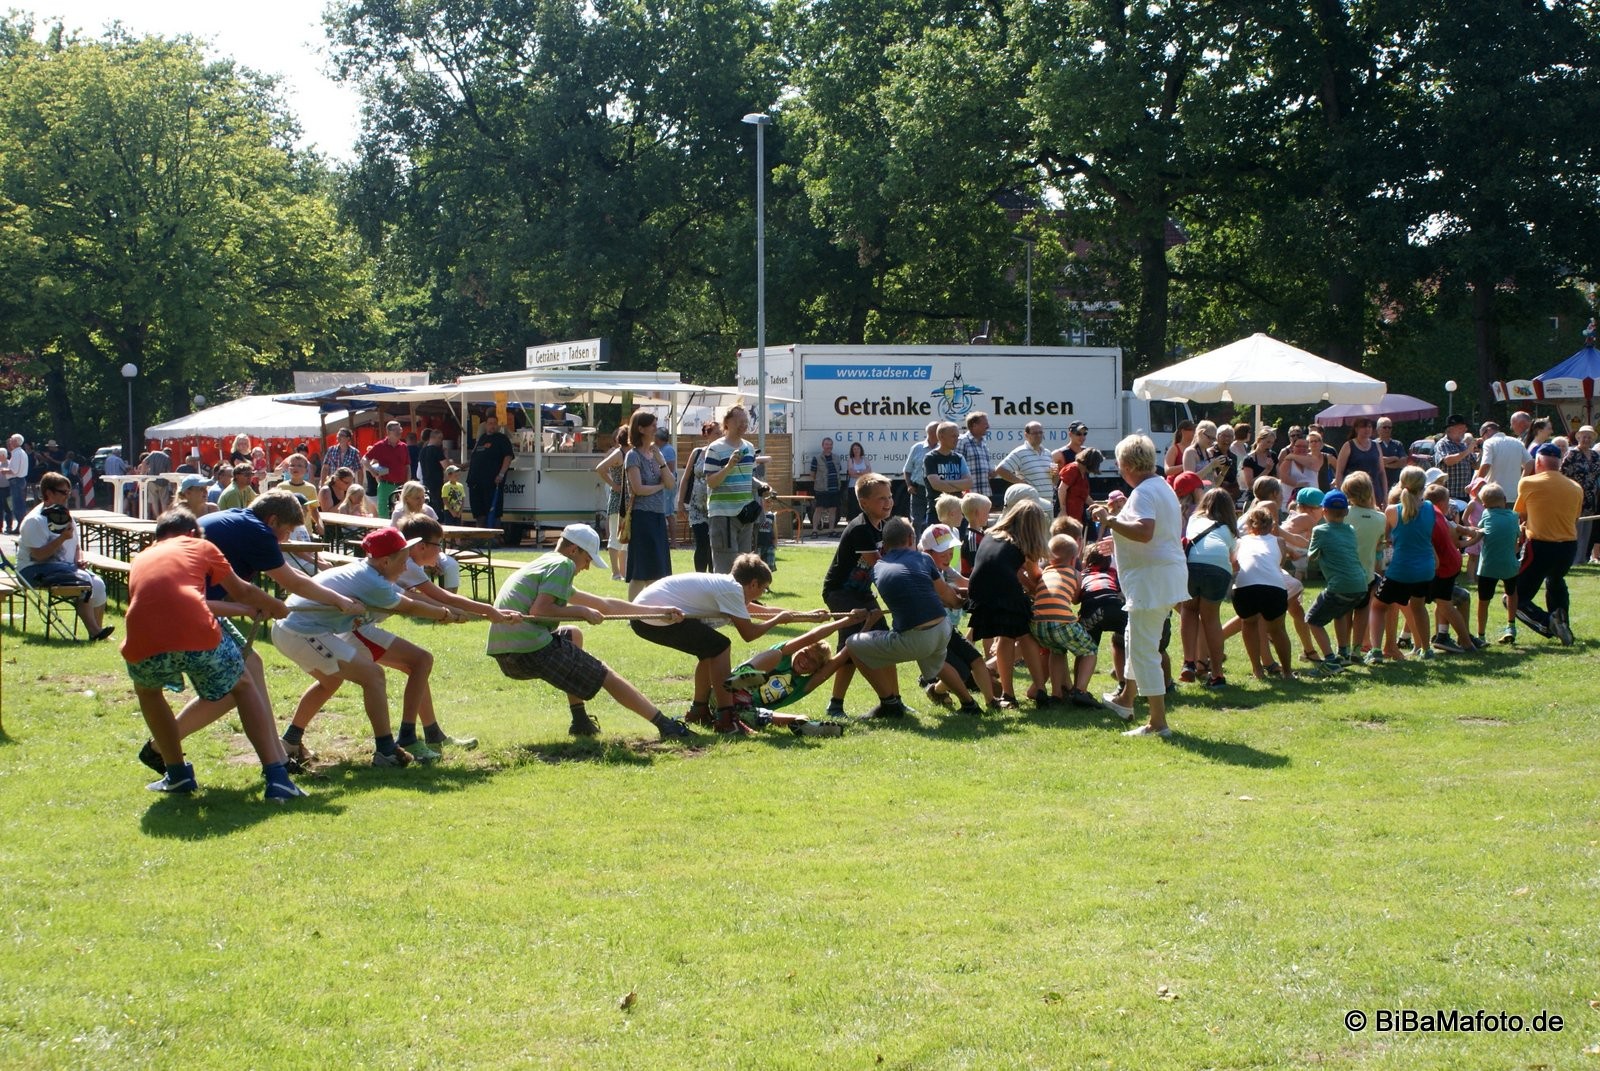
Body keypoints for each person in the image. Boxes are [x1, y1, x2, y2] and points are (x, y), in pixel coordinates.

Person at [123, 508, 304, 798]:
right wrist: (277, 606)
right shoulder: (201, 545)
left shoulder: (141, 558)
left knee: (149, 692)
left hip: (141, 638)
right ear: (192, 533)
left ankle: (178, 774)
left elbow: (172, 603)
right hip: (197, 633)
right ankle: (277, 777)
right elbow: (242, 590)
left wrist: (247, 609)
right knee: (243, 685)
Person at [271, 526, 472, 767]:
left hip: (295, 630)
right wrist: (444, 614)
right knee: (373, 676)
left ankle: (290, 741)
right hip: (300, 632)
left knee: (331, 681)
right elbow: (408, 606)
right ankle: (386, 751)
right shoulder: (371, 581)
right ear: (386, 561)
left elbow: (413, 599)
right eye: (403, 560)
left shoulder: (372, 574)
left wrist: (462, 612)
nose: (406, 566)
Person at [488, 523, 694, 739]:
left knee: (573, 635)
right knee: (605, 674)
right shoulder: (563, 565)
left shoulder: (545, 563)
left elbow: (605, 605)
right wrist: (581, 610)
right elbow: (540, 610)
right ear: (573, 550)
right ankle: (666, 726)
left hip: (506, 653)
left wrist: (657, 611)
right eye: (587, 560)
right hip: (528, 651)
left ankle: (580, 721)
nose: (586, 567)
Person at [631, 554, 822, 734]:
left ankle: (699, 711)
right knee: (720, 646)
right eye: (763, 589)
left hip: (646, 616)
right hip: (651, 617)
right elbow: (749, 634)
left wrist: (806, 616)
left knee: (710, 649)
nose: (762, 595)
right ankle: (727, 719)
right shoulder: (732, 590)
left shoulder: (729, 587)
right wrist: (777, 620)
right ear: (753, 583)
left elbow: (762, 611)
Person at [1090, 435, 1188, 737]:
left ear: (1130, 464)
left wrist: (1110, 520)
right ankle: (1125, 699)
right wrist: (1117, 536)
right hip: (1160, 576)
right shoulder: (1159, 487)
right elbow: (1148, 533)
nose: (1119, 469)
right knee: (1135, 638)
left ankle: (1157, 723)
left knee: (1145, 650)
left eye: (1120, 464)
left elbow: (1145, 532)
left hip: (1151, 581)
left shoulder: (1145, 491)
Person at [844, 517, 964, 719]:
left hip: (915, 638)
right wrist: (962, 602)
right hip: (944, 629)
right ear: (910, 538)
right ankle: (969, 703)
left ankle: (889, 703)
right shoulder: (925, 559)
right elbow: (948, 598)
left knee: (853, 644)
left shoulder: (876, 569)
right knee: (936, 661)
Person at [819, 472, 895, 719]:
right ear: (864, 503)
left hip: (861, 592)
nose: (888, 502)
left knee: (885, 642)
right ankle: (835, 704)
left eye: (890, 497)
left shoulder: (881, 526)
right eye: (881, 498)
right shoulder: (861, 529)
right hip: (840, 593)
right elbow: (880, 566)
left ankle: (896, 700)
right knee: (852, 649)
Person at [967, 498, 1050, 707]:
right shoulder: (1023, 543)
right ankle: (1039, 689)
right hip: (1003, 590)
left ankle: (1008, 695)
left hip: (979, 591)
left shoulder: (991, 535)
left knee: (1006, 634)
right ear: (1034, 526)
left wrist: (1025, 585)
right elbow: (1035, 575)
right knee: (1024, 634)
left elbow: (1007, 569)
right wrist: (1041, 589)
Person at [14, 472, 114, 641]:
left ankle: (97, 632)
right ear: (48, 493)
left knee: (98, 584)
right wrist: (61, 538)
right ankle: (96, 632)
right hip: (32, 570)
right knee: (84, 582)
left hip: (66, 568)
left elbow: (76, 545)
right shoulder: (35, 520)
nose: (68, 496)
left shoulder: (65, 515)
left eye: (69, 491)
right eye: (63, 492)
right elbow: (38, 556)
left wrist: (79, 558)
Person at [724, 617, 861, 735]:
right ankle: (733, 701)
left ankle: (806, 725)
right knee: (774, 655)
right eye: (805, 652)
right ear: (799, 648)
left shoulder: (804, 684)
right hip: (726, 691)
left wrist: (865, 627)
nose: (806, 660)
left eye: (813, 661)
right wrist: (845, 621)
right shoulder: (781, 657)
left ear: (816, 669)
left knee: (793, 717)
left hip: (747, 710)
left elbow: (841, 658)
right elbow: (812, 637)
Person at [1363, 466, 1436, 666]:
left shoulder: (1392, 510)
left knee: (1378, 606)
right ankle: (1426, 649)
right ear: (1424, 487)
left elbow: (1385, 538)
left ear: (1401, 485)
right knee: (1419, 607)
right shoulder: (1430, 508)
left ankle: (1376, 650)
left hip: (1400, 569)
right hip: (1425, 568)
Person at [1513, 443, 1583, 644]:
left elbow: (1521, 515)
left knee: (1514, 597)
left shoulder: (1528, 483)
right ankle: (1563, 623)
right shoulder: (1575, 487)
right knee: (1555, 580)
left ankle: (1547, 623)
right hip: (1568, 547)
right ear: (1559, 464)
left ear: (1538, 462)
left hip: (1540, 546)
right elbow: (1575, 519)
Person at [1303, 491, 1370, 674]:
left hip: (1340, 585)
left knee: (1312, 620)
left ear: (1323, 510)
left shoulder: (1320, 531)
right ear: (1346, 512)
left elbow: (1312, 557)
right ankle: (1343, 654)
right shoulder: (1350, 530)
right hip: (1361, 584)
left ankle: (1331, 661)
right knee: (1340, 614)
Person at [1030, 534, 1099, 706]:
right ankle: (1080, 691)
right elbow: (1075, 599)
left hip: (1037, 624)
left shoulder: (1045, 572)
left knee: (1057, 651)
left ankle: (1056, 694)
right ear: (1074, 558)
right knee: (1089, 650)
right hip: (1060, 622)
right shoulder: (1075, 574)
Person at [1180, 487, 1237, 688]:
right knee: (1211, 619)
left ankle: (1189, 663)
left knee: (1188, 610)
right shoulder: (1229, 529)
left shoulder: (1195, 519)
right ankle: (1217, 674)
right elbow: (1232, 558)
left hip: (1192, 565)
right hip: (1218, 568)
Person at [1231, 506, 1295, 680]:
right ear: (1272, 525)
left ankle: (1257, 670)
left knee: (1249, 624)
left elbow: (1234, 564)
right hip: (1273, 587)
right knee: (1277, 630)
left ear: (1249, 526)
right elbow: (1279, 564)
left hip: (1244, 588)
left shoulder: (1240, 542)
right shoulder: (1279, 542)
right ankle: (1287, 672)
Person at [623, 409, 675, 598]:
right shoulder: (633, 456)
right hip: (642, 517)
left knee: (658, 570)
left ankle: (651, 611)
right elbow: (638, 489)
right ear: (641, 428)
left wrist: (661, 462)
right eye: (653, 425)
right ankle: (632, 613)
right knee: (641, 570)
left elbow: (671, 483)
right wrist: (660, 486)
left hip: (658, 516)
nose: (656, 428)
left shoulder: (657, 453)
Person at [701, 406, 759, 571]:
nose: (743, 425)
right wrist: (728, 467)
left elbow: (749, 478)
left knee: (745, 569)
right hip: (723, 516)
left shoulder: (749, 447)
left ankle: (742, 598)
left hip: (745, 515)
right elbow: (711, 482)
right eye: (738, 421)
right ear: (726, 423)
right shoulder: (715, 448)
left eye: (745, 421)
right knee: (726, 569)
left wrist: (762, 485)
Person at [1473, 482, 1521, 644]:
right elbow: (1517, 538)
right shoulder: (1514, 516)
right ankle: (1511, 626)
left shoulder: (1486, 514)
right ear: (1505, 499)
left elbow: (1481, 531)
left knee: (1483, 601)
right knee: (1512, 593)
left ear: (1484, 504)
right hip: (1509, 564)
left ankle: (1481, 635)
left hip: (1488, 566)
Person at [391, 480, 459, 591]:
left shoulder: (428, 511)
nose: (421, 501)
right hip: (408, 555)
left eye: (423, 497)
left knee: (451, 565)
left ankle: (449, 598)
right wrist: (427, 560)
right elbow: (396, 540)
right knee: (417, 565)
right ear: (407, 498)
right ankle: (425, 598)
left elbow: (437, 535)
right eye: (417, 498)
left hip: (431, 550)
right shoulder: (399, 514)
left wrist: (434, 557)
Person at [1559, 425, 1600, 564]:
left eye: (1589, 437)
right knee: (1576, 529)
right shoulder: (1572, 454)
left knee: (1587, 530)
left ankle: (1582, 558)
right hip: (1575, 497)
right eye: (1584, 436)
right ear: (1578, 438)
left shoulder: (1595, 455)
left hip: (1591, 498)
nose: (1586, 439)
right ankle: (1573, 559)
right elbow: (1562, 474)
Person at [466, 413, 515, 527]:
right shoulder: (482, 438)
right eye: (489, 423)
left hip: (492, 482)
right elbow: (475, 457)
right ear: (485, 425)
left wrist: (501, 474)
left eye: (494, 424)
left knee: (493, 510)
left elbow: (508, 457)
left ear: (497, 425)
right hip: (475, 481)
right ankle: (481, 537)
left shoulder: (502, 439)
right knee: (478, 512)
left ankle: (493, 537)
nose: (492, 426)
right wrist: (462, 466)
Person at [595, 426, 631, 581]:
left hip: (628, 501)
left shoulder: (630, 453)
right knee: (615, 539)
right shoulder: (619, 453)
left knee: (625, 539)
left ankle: (623, 573)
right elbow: (600, 468)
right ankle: (615, 573)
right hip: (618, 500)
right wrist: (613, 485)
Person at [678, 427, 714, 573]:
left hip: (715, 506)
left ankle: (713, 577)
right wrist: (680, 502)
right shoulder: (697, 452)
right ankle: (699, 577)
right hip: (697, 507)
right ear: (707, 434)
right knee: (701, 543)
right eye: (716, 432)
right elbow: (686, 478)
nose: (720, 435)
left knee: (714, 544)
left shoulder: (724, 452)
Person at [923, 422, 972, 527]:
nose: (957, 439)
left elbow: (968, 483)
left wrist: (945, 483)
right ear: (941, 437)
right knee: (939, 543)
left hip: (958, 512)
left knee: (959, 543)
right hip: (937, 513)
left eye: (958, 436)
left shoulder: (959, 458)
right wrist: (958, 484)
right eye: (953, 436)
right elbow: (936, 485)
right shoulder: (930, 458)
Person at [1333, 417, 1389, 506]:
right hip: (1354, 494)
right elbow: (1339, 472)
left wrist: (1385, 495)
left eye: (1369, 427)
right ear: (1356, 429)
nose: (1367, 429)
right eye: (1364, 427)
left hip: (1374, 493)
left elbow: (1382, 472)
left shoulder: (1376, 445)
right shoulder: (1348, 446)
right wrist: (1341, 493)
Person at [997, 422, 1054, 504]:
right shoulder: (1020, 452)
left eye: (1040, 432)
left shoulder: (1048, 453)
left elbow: (1053, 480)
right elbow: (1000, 470)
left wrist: (1055, 474)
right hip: (1030, 503)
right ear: (1026, 435)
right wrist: (1021, 483)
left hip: (1048, 503)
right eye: (1034, 433)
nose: (1038, 435)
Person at [364, 420, 412, 516]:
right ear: (388, 432)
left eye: (400, 429)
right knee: (384, 512)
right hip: (386, 485)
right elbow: (364, 460)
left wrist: (407, 483)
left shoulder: (403, 446)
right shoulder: (380, 446)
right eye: (396, 430)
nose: (399, 432)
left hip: (401, 486)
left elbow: (407, 466)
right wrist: (372, 471)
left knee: (403, 512)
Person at [903, 421, 938, 535]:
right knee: (916, 522)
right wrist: (909, 485)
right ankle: (916, 548)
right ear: (931, 433)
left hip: (936, 490)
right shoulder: (917, 448)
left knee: (934, 521)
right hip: (918, 490)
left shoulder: (943, 448)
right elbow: (907, 470)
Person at [1433, 414, 1475, 501]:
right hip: (1448, 496)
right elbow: (1448, 461)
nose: (1465, 430)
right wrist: (1467, 451)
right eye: (1461, 427)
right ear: (1451, 429)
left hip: (1465, 495)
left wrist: (1483, 451)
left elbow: (1475, 465)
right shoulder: (1443, 444)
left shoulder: (1463, 445)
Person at [1057, 447, 1100, 530]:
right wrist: (1063, 510)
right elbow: (1061, 489)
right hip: (1067, 516)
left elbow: (1084, 495)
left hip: (1076, 516)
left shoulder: (1083, 472)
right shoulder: (1072, 469)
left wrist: (1096, 507)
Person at [956, 412, 996, 499]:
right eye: (985, 424)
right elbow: (956, 467)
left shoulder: (983, 443)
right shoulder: (962, 441)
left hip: (984, 493)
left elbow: (986, 467)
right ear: (974, 425)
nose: (988, 426)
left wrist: (992, 471)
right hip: (968, 495)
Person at [809, 437, 843, 535]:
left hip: (835, 488)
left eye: (830, 444)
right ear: (823, 446)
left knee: (833, 510)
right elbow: (812, 474)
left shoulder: (836, 458)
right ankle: (814, 530)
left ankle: (831, 530)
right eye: (827, 444)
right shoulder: (817, 458)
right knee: (819, 509)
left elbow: (838, 471)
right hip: (822, 489)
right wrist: (819, 482)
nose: (829, 446)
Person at [842, 442, 873, 521]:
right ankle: (851, 524)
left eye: (857, 449)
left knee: (863, 505)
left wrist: (857, 472)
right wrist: (862, 473)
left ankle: (863, 522)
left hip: (863, 486)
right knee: (853, 506)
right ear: (852, 451)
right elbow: (851, 473)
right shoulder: (850, 460)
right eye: (854, 449)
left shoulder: (865, 459)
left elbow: (869, 471)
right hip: (853, 486)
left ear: (860, 449)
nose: (856, 450)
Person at [418, 428, 447, 511]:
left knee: (428, 509)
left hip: (426, 484)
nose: (441, 441)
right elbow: (447, 467)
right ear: (433, 438)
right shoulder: (436, 450)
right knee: (438, 511)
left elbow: (418, 472)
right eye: (440, 438)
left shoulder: (422, 451)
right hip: (437, 485)